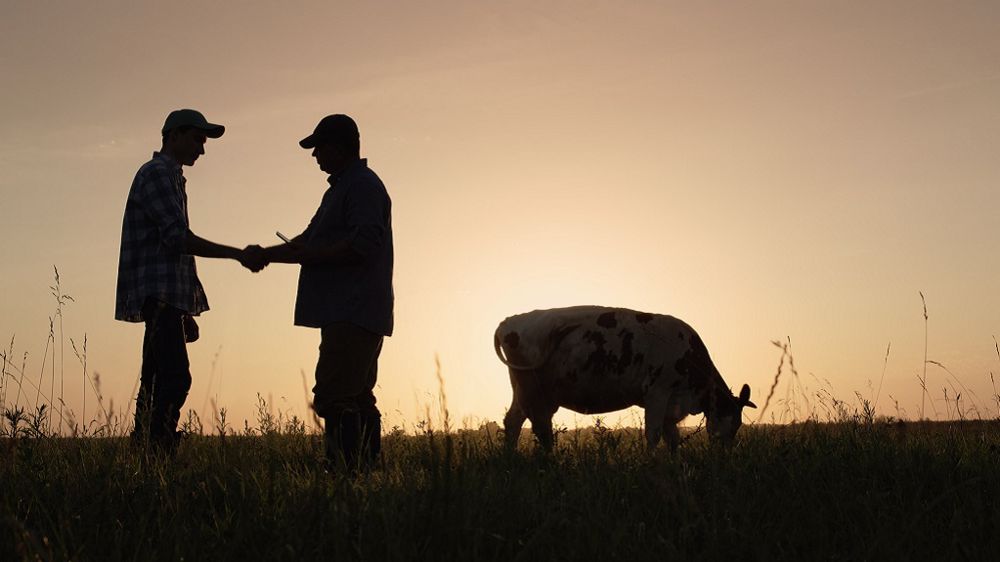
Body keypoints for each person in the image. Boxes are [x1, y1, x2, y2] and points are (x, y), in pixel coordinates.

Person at [246, 114, 393, 471]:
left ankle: (344, 473)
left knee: (334, 396)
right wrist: (266, 255)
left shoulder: (361, 186)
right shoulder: (341, 189)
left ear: (340, 148)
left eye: (319, 148)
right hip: (353, 310)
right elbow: (308, 240)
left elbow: (364, 243)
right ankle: (367, 474)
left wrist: (309, 256)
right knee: (357, 395)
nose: (315, 157)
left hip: (353, 309)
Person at [115, 109, 261, 452]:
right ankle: (158, 448)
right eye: (198, 139)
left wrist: (186, 312)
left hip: (166, 297)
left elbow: (175, 248)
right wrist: (237, 254)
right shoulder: (157, 174)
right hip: (160, 294)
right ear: (175, 135)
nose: (203, 149)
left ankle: (145, 453)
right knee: (176, 378)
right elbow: (178, 239)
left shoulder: (171, 178)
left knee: (154, 381)